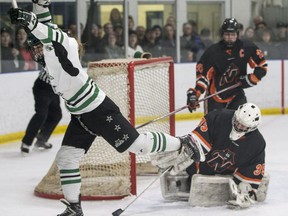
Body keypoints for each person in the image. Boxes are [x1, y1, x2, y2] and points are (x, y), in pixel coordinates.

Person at [8, 1, 203, 215]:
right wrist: (39, 6)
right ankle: (74, 208)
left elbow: (48, 32)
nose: (35, 52)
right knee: (66, 157)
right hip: (80, 115)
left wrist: (29, 20)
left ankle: (185, 142)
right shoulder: (51, 45)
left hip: (97, 110)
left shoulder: (64, 42)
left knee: (137, 145)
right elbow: (45, 23)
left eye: (36, 47)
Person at [152, 102, 266, 209]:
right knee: (190, 162)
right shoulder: (218, 118)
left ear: (253, 127)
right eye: (237, 122)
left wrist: (245, 189)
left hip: (227, 173)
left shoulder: (257, 144)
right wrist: (184, 147)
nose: (238, 127)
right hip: (200, 167)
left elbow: (252, 168)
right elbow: (196, 144)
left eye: (244, 126)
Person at [186, 18, 267, 114]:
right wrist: (196, 93)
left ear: (237, 34)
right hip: (215, 96)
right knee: (214, 127)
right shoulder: (213, 52)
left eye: (233, 34)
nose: (230, 37)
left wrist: (251, 79)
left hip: (237, 94)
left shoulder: (247, 47)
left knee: (243, 123)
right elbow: (203, 77)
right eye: (227, 34)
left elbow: (262, 65)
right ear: (222, 34)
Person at [20, 33, 62, 156]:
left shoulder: (67, 55)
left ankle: (41, 139)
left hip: (53, 89)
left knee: (56, 115)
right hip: (42, 87)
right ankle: (26, 142)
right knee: (41, 114)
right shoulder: (52, 52)